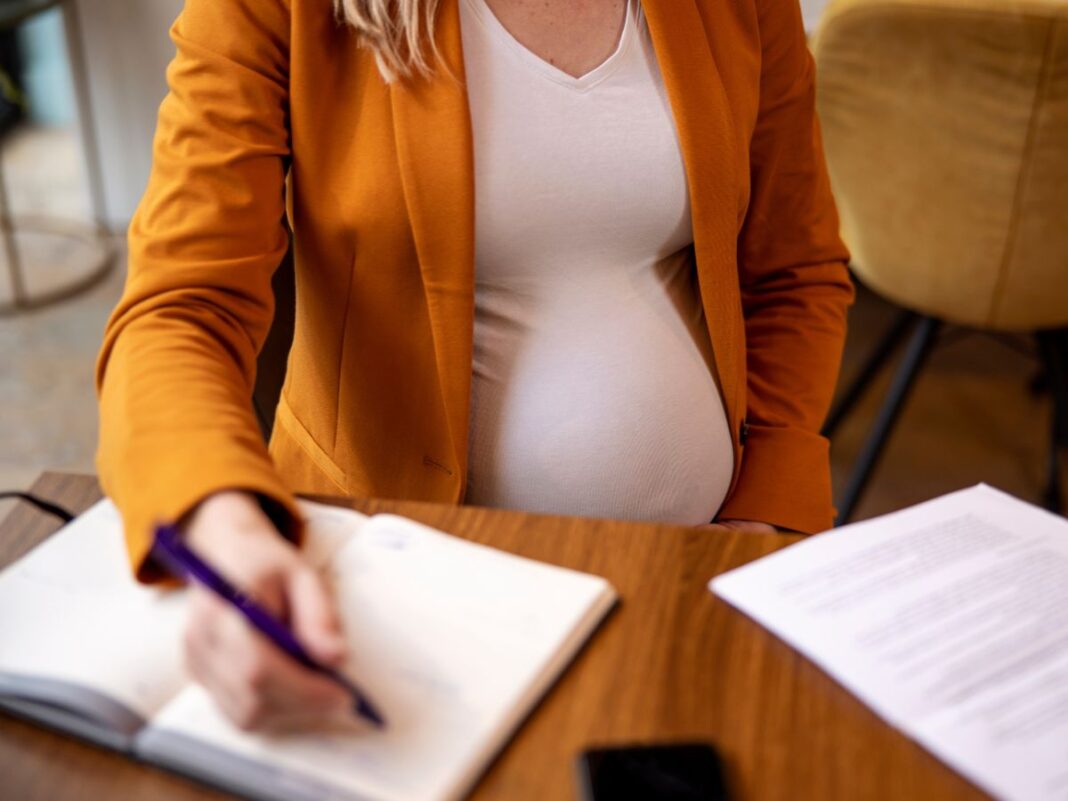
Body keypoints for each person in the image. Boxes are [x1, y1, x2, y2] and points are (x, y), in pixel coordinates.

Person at [96, 0, 853, 730]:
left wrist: (765, 505)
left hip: (700, 568)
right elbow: (179, 310)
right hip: (405, 591)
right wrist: (222, 526)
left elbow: (795, 268)